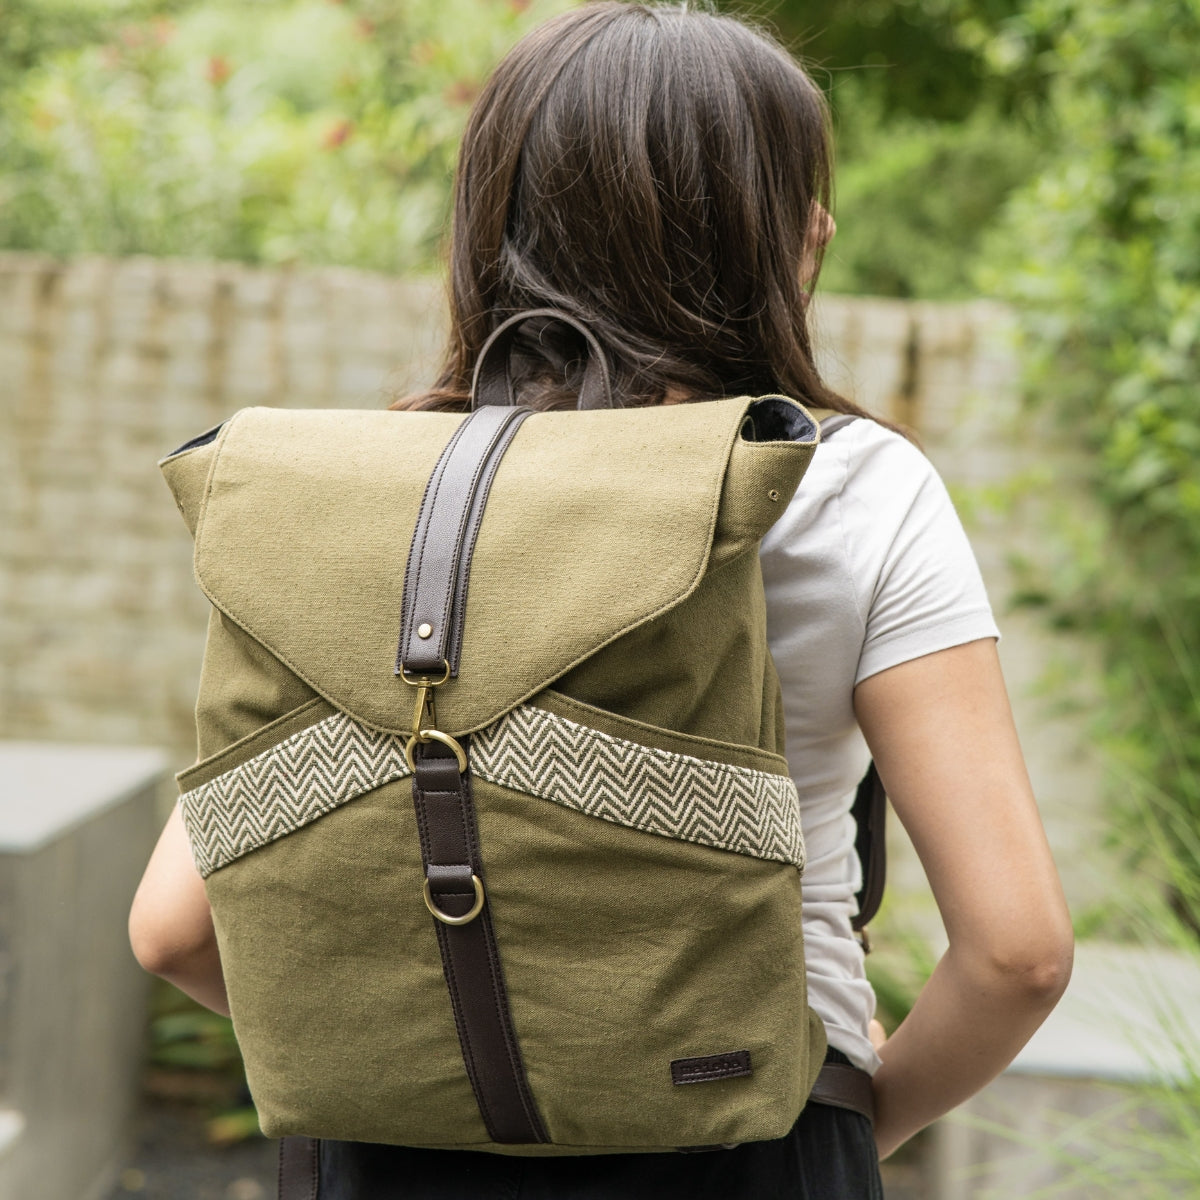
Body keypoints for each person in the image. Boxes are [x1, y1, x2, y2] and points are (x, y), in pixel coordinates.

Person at [129, 3, 1074, 1197]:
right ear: (785, 238)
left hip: (386, 1156)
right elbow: (1019, 953)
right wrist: (848, 1121)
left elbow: (171, 928)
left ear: (490, 224)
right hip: (745, 1136)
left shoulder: (355, 493)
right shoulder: (849, 486)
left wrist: (396, 1069)